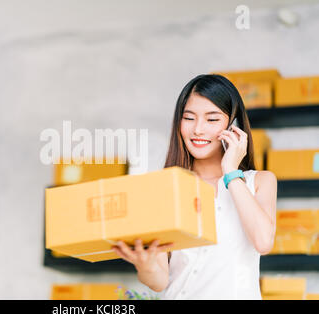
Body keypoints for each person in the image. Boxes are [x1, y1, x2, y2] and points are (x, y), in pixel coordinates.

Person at [112, 74, 277, 300]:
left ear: (234, 126)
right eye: (189, 118)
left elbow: (263, 241)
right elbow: (159, 282)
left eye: (212, 119)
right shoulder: (165, 187)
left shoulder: (259, 182)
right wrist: (145, 266)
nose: (198, 129)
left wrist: (231, 171)